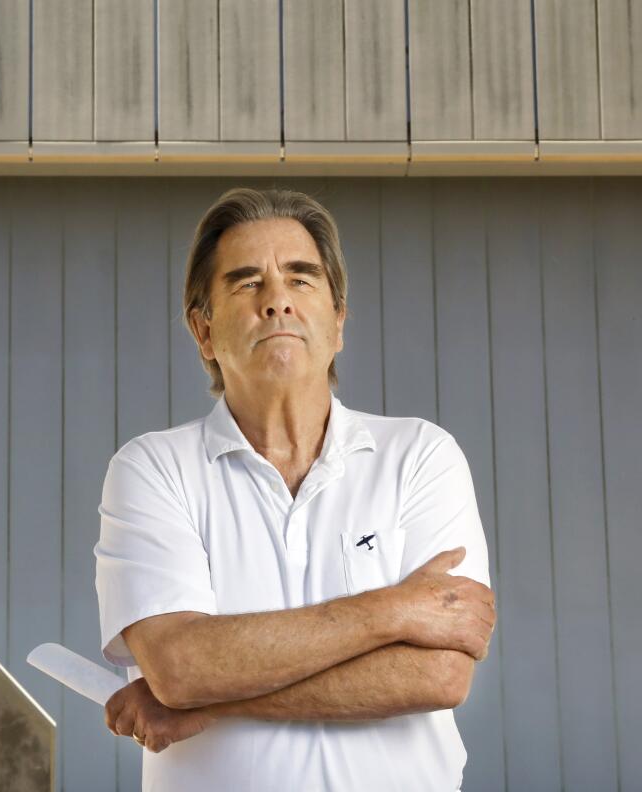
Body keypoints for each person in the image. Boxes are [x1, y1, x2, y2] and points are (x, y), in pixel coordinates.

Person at [95, 188, 495, 790]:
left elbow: (438, 677)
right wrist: (396, 609)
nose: (277, 301)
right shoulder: (153, 469)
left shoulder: (419, 456)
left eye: (302, 280)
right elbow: (179, 666)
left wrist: (213, 701)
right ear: (203, 330)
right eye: (247, 282)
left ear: (337, 323)